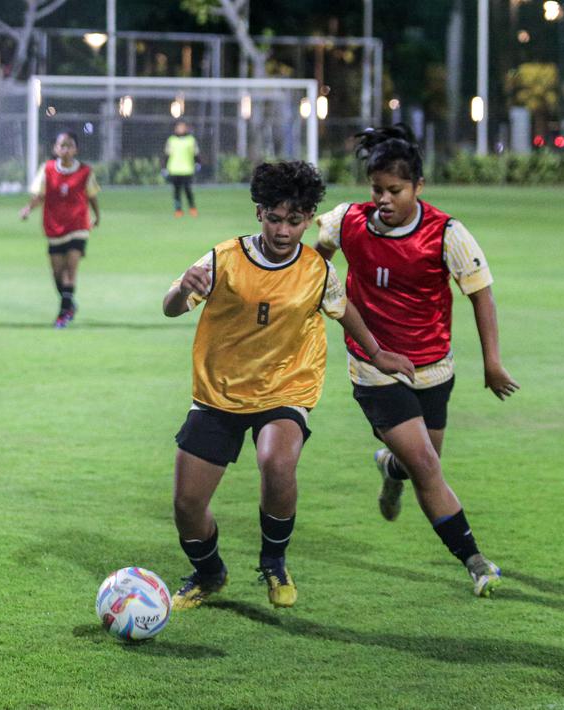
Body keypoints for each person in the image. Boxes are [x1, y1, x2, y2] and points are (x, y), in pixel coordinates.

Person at [163, 160, 414, 610]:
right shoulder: (223, 258)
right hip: (219, 391)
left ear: (307, 218)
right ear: (259, 212)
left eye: (295, 221)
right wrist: (183, 287)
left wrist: (377, 354)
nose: (283, 231)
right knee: (186, 504)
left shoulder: (317, 270)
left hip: (286, 385)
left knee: (277, 461)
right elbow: (171, 307)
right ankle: (209, 573)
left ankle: (274, 560)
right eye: (274, 218)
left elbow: (342, 309)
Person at [313, 124, 520, 598]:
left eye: (395, 190)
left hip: (434, 368)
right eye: (377, 189)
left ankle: (390, 469)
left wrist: (492, 362)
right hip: (373, 368)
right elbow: (315, 264)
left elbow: (481, 295)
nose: (384, 199)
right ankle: (475, 561)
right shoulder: (346, 221)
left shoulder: (447, 234)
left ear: (418, 188)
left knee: (423, 464)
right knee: (428, 465)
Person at [20, 131, 101, 328]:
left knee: (70, 271)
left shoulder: (85, 171)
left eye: (69, 145)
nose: (65, 149)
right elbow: (39, 195)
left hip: (78, 226)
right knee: (57, 273)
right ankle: (69, 303)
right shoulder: (47, 169)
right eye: (62, 145)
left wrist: (97, 215)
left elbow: (91, 195)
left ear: (76, 149)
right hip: (54, 227)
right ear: (55, 149)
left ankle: (62, 315)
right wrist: (28, 209)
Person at [164, 121, 199, 218]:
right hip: (174, 169)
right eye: (179, 127)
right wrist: (164, 167)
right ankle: (178, 210)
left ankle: (192, 208)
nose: (180, 129)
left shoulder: (191, 140)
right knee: (176, 191)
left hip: (187, 170)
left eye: (182, 127)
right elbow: (167, 155)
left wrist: (197, 163)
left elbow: (195, 154)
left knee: (188, 190)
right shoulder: (171, 140)